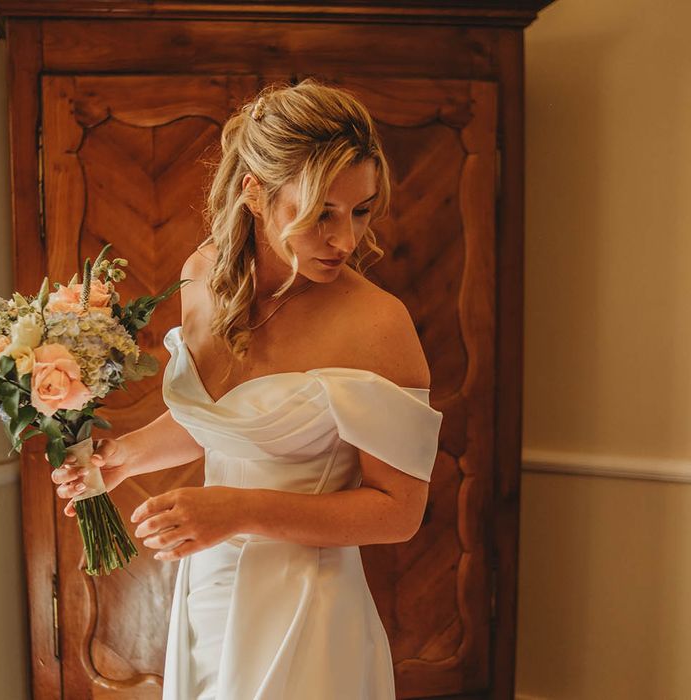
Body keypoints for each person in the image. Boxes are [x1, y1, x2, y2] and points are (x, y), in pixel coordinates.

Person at [51, 78, 444, 700]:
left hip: (308, 609)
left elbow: (399, 511)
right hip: (206, 586)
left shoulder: (376, 324)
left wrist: (238, 511)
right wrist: (121, 457)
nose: (344, 240)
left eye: (361, 211)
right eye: (320, 214)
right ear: (254, 195)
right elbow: (216, 418)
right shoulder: (203, 276)